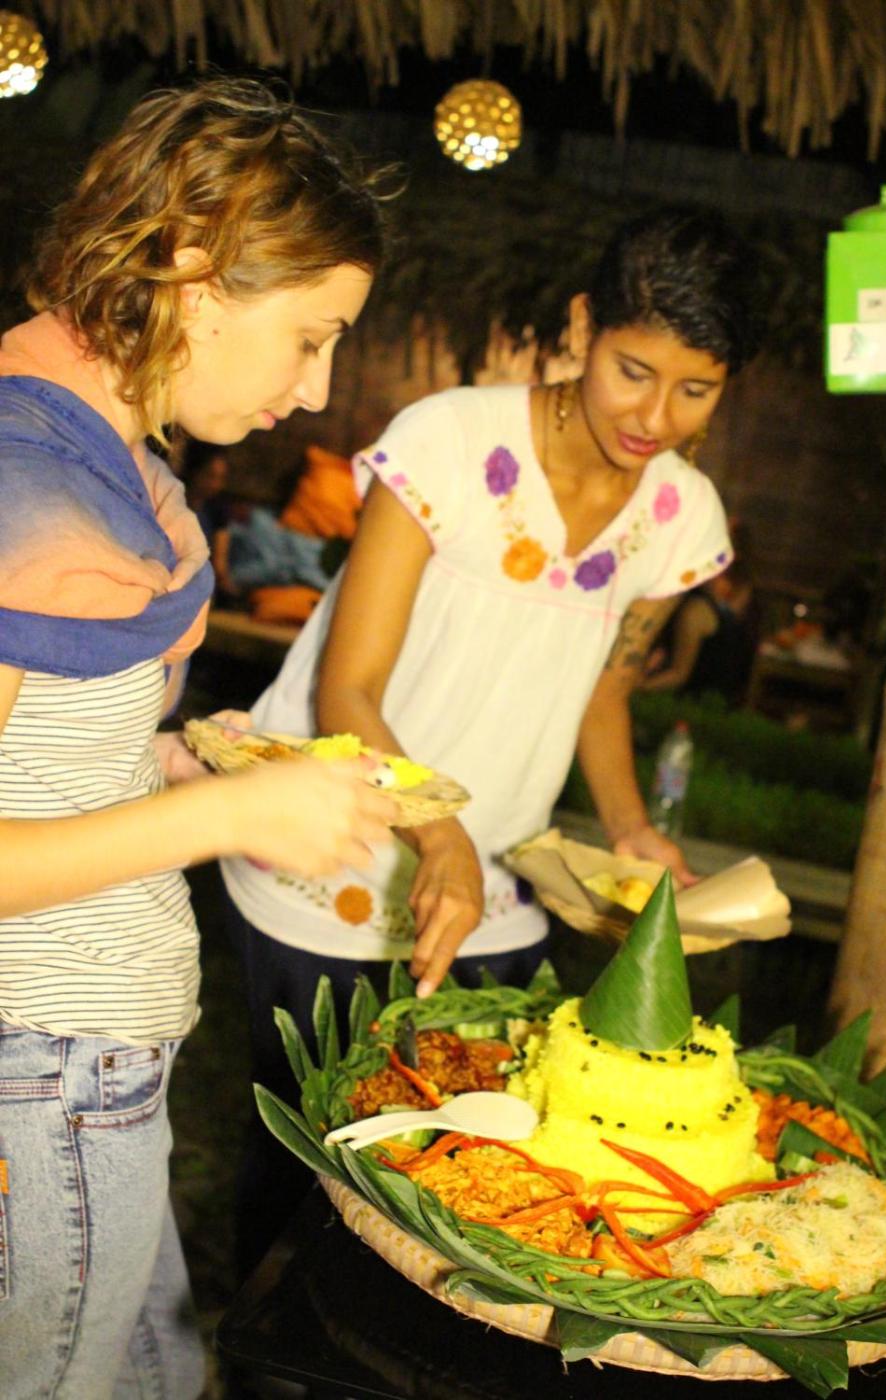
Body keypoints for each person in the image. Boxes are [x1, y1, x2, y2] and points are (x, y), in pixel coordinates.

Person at [220, 207, 764, 1274]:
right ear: (583, 327)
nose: (655, 416)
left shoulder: (682, 514)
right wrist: (440, 835)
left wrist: (630, 830)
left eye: (695, 390)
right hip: (329, 846)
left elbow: (605, 686)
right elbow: (349, 684)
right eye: (633, 372)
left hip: (495, 881)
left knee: (460, 1172)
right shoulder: (452, 442)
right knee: (308, 1166)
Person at [0, 77, 399, 1399]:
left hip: (86, 1063)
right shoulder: (24, 481)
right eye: (311, 337)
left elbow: (41, 750)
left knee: (160, 1373)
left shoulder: (97, 451)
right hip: (40, 1065)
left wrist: (172, 761)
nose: (318, 386)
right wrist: (222, 815)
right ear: (192, 272)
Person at [640, 557, 758, 704]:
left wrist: (636, 688)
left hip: (695, 704)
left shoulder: (695, 610)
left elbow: (678, 675)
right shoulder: (721, 609)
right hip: (718, 701)